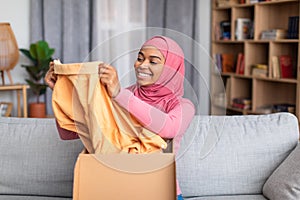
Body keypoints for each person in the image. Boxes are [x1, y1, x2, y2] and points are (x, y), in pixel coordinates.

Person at [45, 35, 195, 200]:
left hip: (159, 191)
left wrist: (118, 94)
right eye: (139, 58)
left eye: (153, 61)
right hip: (115, 188)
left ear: (171, 69)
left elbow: (169, 128)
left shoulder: (182, 106)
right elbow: (70, 133)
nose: (142, 65)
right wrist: (61, 93)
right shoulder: (122, 95)